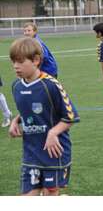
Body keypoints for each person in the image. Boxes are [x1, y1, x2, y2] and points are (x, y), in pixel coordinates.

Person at [9, 37, 80, 196]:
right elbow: (32, 109)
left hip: (54, 153)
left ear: (36, 60)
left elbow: (70, 116)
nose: (15, 66)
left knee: (49, 194)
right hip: (31, 153)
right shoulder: (16, 86)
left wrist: (53, 132)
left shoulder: (51, 85)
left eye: (20, 62)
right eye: (13, 61)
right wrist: (16, 120)